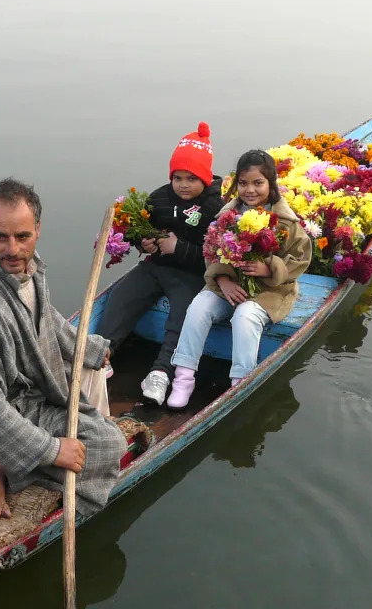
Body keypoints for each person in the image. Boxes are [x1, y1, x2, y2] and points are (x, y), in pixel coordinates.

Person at [0, 178, 127, 518]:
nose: (13, 249)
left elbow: (44, 318)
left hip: (29, 382)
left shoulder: (28, 265)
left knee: (92, 383)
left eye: (22, 236)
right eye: (0, 237)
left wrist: (89, 350)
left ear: (37, 230)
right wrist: (52, 450)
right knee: (110, 446)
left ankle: (10, 457)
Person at [166, 149, 312, 408]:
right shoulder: (226, 216)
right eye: (243, 184)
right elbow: (210, 252)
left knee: (245, 316)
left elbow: (300, 259)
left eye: (258, 183)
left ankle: (239, 383)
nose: (250, 190)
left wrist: (269, 269)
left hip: (270, 289)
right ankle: (183, 377)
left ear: (271, 184)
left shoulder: (286, 222)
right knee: (199, 308)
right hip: (228, 283)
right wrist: (222, 280)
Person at [96, 122, 225, 405]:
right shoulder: (159, 198)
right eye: (177, 177)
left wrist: (178, 248)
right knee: (122, 296)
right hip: (155, 268)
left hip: (191, 275)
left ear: (204, 178)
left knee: (182, 315)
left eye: (191, 178)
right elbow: (142, 231)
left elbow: (214, 257)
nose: (183, 185)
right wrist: (144, 242)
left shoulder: (215, 208)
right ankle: (102, 354)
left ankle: (161, 371)